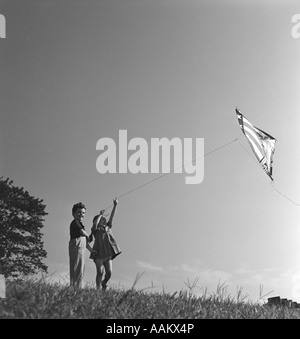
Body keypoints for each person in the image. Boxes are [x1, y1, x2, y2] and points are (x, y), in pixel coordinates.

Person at [89, 198, 121, 290]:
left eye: (104, 219)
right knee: (100, 272)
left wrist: (115, 205)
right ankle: (98, 289)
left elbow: (112, 217)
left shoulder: (108, 227)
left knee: (109, 273)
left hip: (107, 253)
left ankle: (104, 283)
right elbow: (94, 225)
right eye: (101, 220)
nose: (104, 220)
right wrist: (100, 215)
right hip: (98, 253)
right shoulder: (95, 230)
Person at [69, 202, 96, 288]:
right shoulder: (75, 222)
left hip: (81, 245)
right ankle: (74, 287)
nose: (81, 214)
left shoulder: (81, 225)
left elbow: (85, 240)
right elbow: (81, 232)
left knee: (81, 268)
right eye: (79, 212)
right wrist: (88, 235)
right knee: (76, 267)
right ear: (73, 214)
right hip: (76, 244)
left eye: (83, 212)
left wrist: (91, 250)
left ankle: (78, 287)